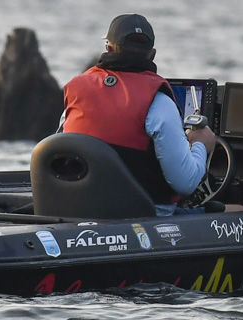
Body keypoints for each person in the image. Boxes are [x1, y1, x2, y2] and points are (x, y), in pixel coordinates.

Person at [60, 14, 220, 215]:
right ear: (152, 55)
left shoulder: (76, 90)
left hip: (78, 209)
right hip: (142, 216)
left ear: (108, 48)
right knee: (237, 210)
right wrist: (201, 145)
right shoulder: (159, 102)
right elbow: (185, 182)